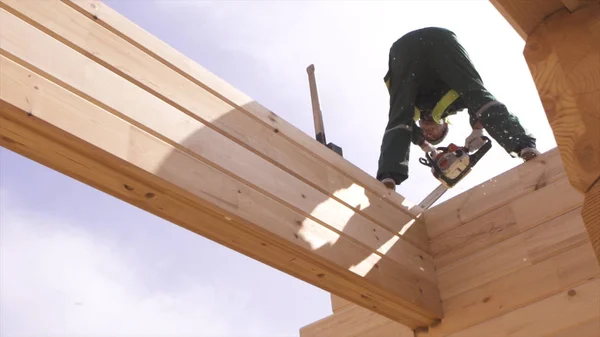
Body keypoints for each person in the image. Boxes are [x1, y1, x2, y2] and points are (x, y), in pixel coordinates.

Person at [376, 27, 540, 191]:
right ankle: (522, 144)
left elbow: (409, 130)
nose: (428, 133)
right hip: (434, 42)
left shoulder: (411, 110)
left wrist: (426, 146)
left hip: (406, 50)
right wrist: (477, 129)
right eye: (435, 135)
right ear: (444, 124)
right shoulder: (455, 104)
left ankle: (388, 177)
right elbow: (476, 101)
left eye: (427, 134)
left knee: (399, 115)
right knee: (473, 91)